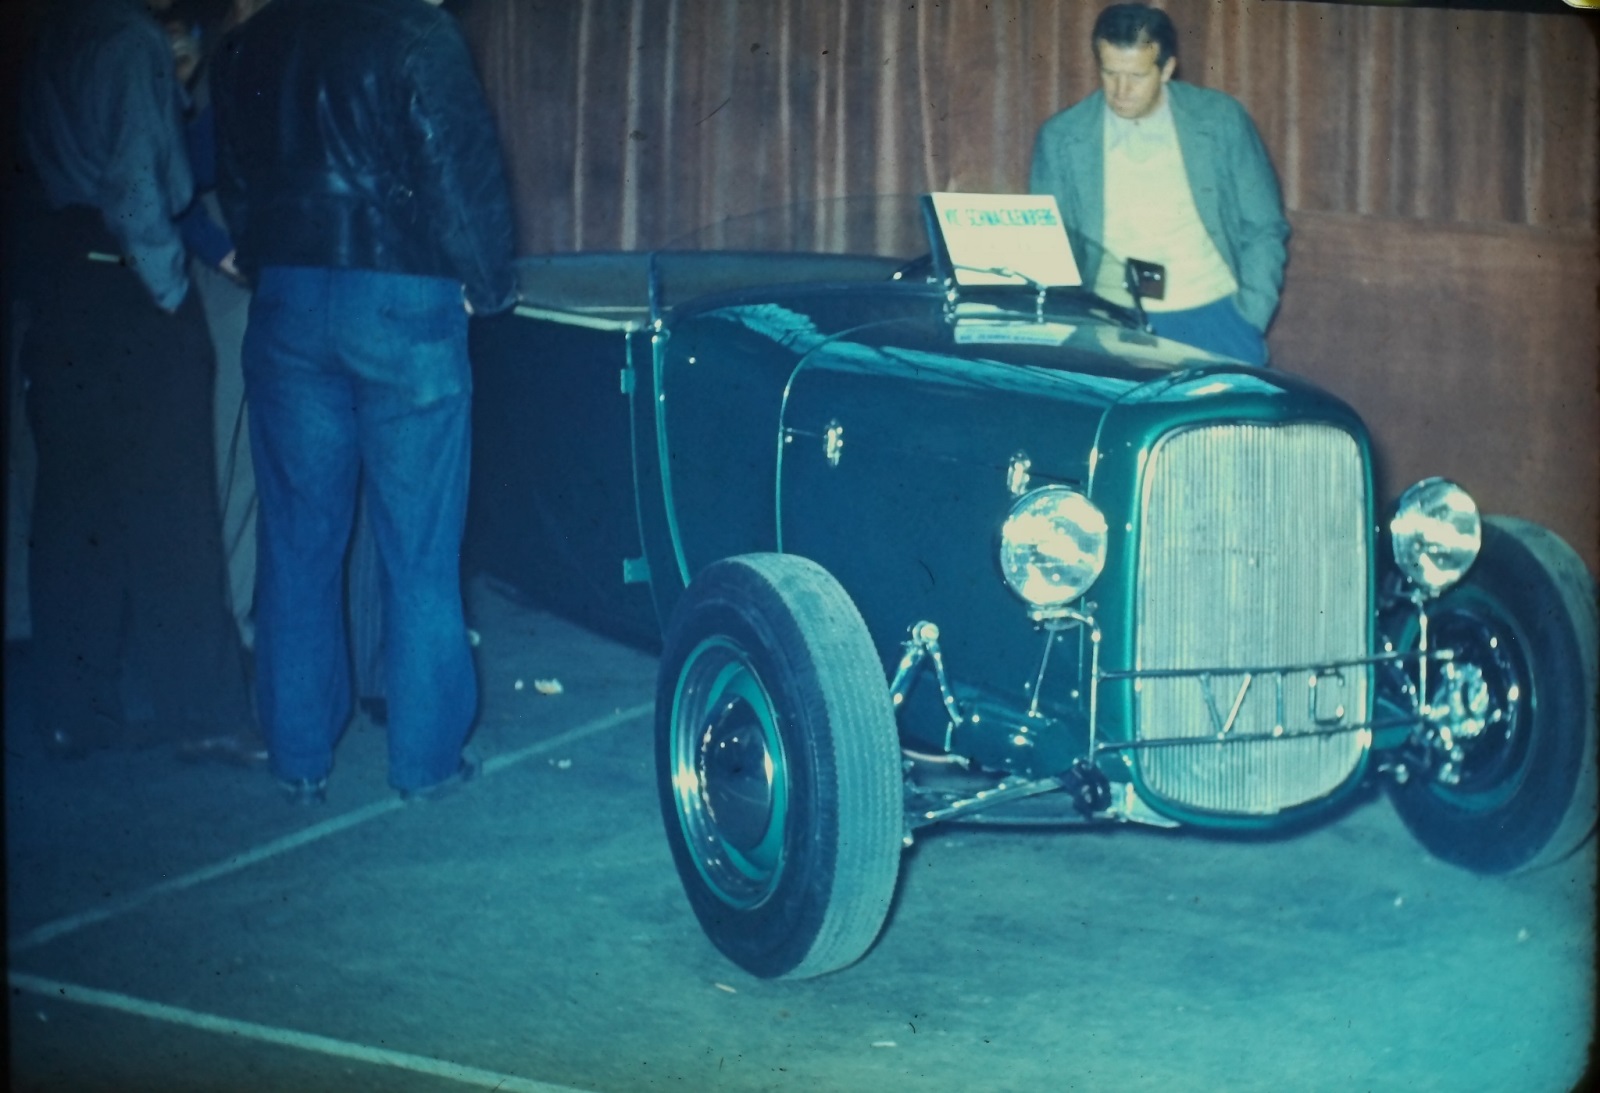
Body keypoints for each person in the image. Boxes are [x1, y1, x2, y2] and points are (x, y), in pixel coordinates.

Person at [210, 0, 516, 802]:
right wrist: (487, 284)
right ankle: (424, 764)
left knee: (297, 543)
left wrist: (272, 253)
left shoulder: (255, 42)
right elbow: (460, 164)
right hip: (403, 299)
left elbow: (236, 175)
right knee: (418, 554)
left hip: (290, 303)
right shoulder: (416, 32)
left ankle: (299, 757)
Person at [14, 0, 254, 758]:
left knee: (73, 513)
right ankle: (203, 713)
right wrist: (170, 294)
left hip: (62, 282)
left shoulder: (53, 29)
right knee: (173, 514)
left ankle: (70, 710)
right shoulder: (127, 42)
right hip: (127, 285)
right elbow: (138, 183)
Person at [1029, 3, 1289, 366]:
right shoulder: (1061, 138)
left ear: (1167, 69)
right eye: (1109, 73)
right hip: (1110, 321)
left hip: (1214, 316)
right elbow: (1050, 249)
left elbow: (1263, 226)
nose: (1120, 91)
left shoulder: (1221, 121)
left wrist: (1250, 315)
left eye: (1136, 76)